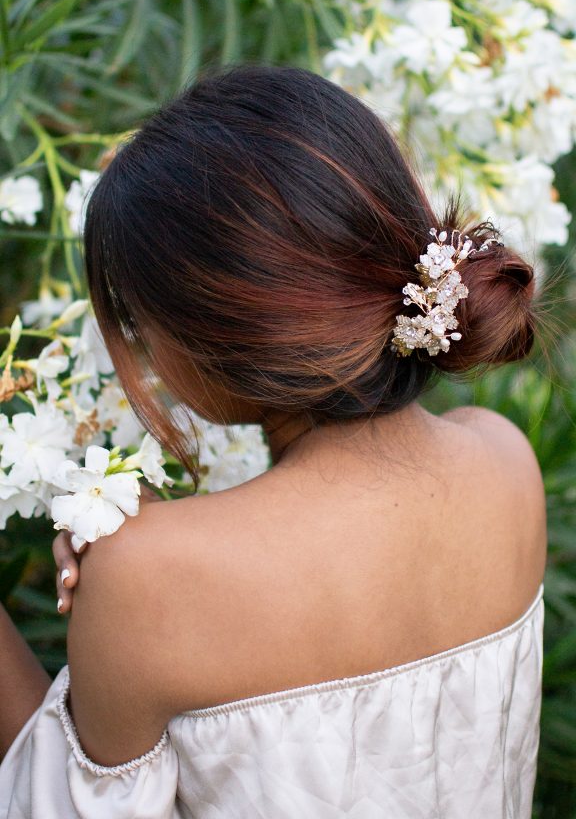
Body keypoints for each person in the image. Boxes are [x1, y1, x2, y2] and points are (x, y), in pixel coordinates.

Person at [0, 65, 546, 818]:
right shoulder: (504, 460)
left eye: (137, 319)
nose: (144, 351)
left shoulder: (147, 574)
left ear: (211, 329)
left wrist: (142, 566)